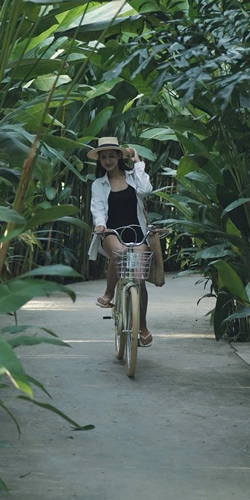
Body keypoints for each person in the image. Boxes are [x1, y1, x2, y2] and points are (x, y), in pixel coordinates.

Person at [88, 135, 154, 347]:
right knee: (121, 254)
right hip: (111, 232)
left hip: (137, 231)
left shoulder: (134, 177)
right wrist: (99, 225)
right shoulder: (98, 184)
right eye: (103, 157)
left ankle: (142, 326)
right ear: (99, 160)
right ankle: (109, 293)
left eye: (111, 156)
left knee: (140, 279)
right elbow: (97, 208)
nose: (107, 161)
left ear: (119, 157)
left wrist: (138, 163)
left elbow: (146, 190)